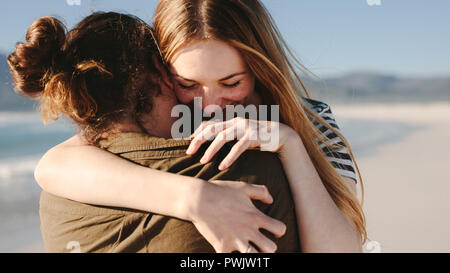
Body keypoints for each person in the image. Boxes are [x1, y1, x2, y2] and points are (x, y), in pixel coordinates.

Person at [33, 0, 366, 252]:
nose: (208, 105)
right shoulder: (168, 114)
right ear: (161, 73)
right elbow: (53, 166)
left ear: (260, 67)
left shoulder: (309, 118)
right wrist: (192, 197)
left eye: (231, 82)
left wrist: (290, 143)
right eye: (188, 83)